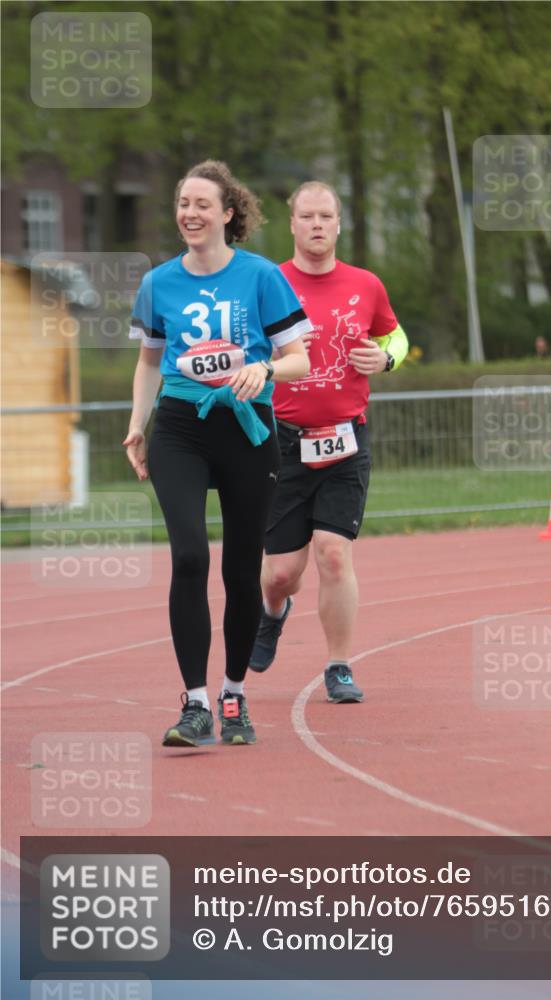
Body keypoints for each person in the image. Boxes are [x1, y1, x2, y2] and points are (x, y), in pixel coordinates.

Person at [123, 160, 311, 748]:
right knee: (187, 557)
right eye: (183, 203)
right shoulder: (158, 283)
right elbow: (150, 362)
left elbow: (299, 358)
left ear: (228, 213)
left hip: (248, 428)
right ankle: (194, 704)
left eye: (203, 203)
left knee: (239, 567)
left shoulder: (260, 277)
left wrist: (263, 367)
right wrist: (137, 425)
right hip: (180, 427)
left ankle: (233, 693)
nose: (190, 213)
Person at [248, 181, 408, 702]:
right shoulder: (267, 283)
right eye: (307, 216)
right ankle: (273, 613)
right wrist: (283, 351)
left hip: (345, 439)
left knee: (334, 554)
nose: (317, 225)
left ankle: (339, 666)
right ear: (291, 224)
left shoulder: (366, 284)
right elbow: (242, 349)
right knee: (279, 573)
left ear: (339, 224)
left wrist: (386, 359)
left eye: (326, 216)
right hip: (282, 444)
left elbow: (396, 335)